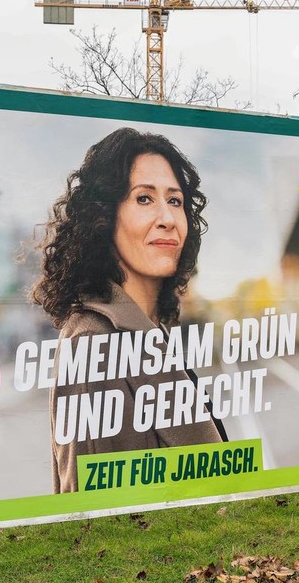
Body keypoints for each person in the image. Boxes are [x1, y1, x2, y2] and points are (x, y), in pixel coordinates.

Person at [33, 127, 223, 493]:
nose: (167, 218)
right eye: (144, 199)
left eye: (176, 201)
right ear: (104, 216)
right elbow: (94, 514)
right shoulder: (94, 341)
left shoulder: (148, 327)